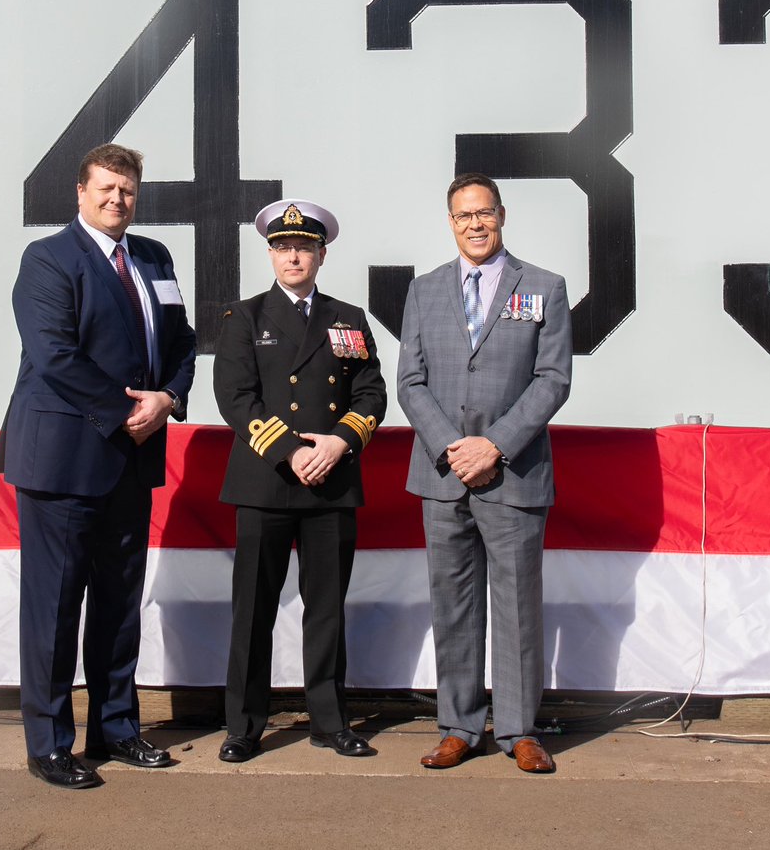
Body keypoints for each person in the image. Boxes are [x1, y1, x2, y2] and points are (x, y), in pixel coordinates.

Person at [0, 143, 197, 789]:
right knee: (53, 607)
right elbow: (53, 356)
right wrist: (126, 411)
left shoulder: (154, 259)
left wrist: (169, 398)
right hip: (63, 460)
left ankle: (115, 726)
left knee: (117, 603)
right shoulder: (48, 259)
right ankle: (49, 742)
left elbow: (183, 341)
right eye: (106, 187)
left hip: (132, 461)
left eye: (128, 189)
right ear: (80, 192)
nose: (117, 199)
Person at [397, 172, 572, 773]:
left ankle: (520, 729)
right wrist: (454, 447)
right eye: (463, 215)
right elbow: (410, 382)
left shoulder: (545, 287)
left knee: (519, 603)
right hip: (443, 476)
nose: (475, 224)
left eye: (485, 213)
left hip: (514, 472)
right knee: (453, 603)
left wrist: (494, 445)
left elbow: (554, 380)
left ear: (502, 215)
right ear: (450, 222)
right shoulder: (423, 291)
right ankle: (459, 726)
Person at [213, 200, 386, 762]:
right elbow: (235, 398)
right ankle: (243, 726)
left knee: (328, 608)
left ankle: (330, 722)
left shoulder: (348, 318)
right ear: (270, 254)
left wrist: (339, 442)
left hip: (332, 478)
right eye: (284, 247)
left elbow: (371, 394)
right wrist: (290, 451)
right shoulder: (244, 318)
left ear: (321, 254)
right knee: (254, 611)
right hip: (266, 480)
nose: (294, 256)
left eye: (305, 247)